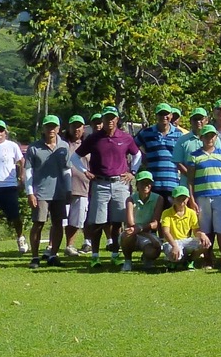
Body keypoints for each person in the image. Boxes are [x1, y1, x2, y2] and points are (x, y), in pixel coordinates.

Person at [75, 107, 142, 268]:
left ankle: (115, 254)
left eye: (112, 118)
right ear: (103, 119)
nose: (110, 121)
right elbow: (75, 157)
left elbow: (137, 154)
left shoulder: (125, 137)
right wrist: (85, 171)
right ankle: (95, 256)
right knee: (97, 222)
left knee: (117, 221)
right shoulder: (94, 138)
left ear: (117, 119)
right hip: (100, 183)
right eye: (107, 118)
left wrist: (133, 172)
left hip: (120, 183)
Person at [186, 124, 221, 271]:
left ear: (215, 137)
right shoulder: (194, 155)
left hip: (220, 196)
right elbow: (190, 180)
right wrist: (191, 199)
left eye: (212, 136)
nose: (209, 138)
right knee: (205, 229)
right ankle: (207, 258)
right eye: (206, 136)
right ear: (201, 138)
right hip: (201, 197)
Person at [25, 115, 70, 268]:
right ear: (43, 128)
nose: (51, 129)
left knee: (58, 224)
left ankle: (53, 255)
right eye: (48, 126)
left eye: (54, 126)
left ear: (58, 128)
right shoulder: (34, 148)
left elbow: (67, 169)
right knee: (38, 223)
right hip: (40, 192)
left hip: (59, 192)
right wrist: (30, 192)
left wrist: (68, 189)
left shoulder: (64, 146)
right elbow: (28, 171)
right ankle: (35, 257)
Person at [134, 103, 182, 201]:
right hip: (153, 183)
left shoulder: (179, 134)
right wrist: (143, 158)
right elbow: (133, 146)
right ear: (156, 116)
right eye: (161, 114)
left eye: (166, 114)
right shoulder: (146, 133)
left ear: (171, 115)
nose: (164, 117)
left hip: (172, 183)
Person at [120, 171, 164, 271]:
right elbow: (130, 223)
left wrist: (140, 228)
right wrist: (138, 229)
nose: (146, 185)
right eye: (142, 183)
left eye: (148, 183)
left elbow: (155, 223)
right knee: (127, 235)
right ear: (137, 185)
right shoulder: (130, 199)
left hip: (147, 233)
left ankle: (147, 258)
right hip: (133, 232)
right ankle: (128, 261)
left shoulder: (158, 199)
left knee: (156, 248)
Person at [159, 185, 210, 270]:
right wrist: (174, 246)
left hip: (185, 241)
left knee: (206, 244)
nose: (181, 201)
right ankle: (174, 261)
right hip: (171, 242)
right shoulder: (166, 213)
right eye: (178, 198)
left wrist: (202, 234)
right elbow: (166, 232)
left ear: (188, 199)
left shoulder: (191, 213)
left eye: (184, 198)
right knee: (177, 256)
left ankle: (189, 261)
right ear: (173, 199)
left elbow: (196, 231)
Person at [63, 115, 92, 256]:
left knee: (77, 220)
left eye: (79, 126)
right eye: (73, 126)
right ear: (69, 127)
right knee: (61, 220)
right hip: (63, 188)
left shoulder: (88, 144)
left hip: (83, 187)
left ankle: (70, 245)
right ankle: (52, 246)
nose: (76, 129)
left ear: (83, 128)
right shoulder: (62, 144)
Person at [172, 108, 209, 178]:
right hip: (187, 181)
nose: (198, 121)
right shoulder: (182, 140)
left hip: (208, 182)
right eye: (195, 119)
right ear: (190, 121)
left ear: (207, 120)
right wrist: (191, 176)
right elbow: (178, 162)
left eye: (201, 119)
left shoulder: (214, 139)